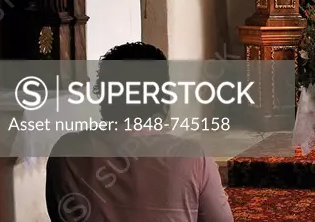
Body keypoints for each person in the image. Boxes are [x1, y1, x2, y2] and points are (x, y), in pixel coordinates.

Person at [46, 42, 233, 222]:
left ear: (102, 93)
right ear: (163, 96)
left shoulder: (65, 151)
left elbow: (58, 214)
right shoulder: (193, 157)